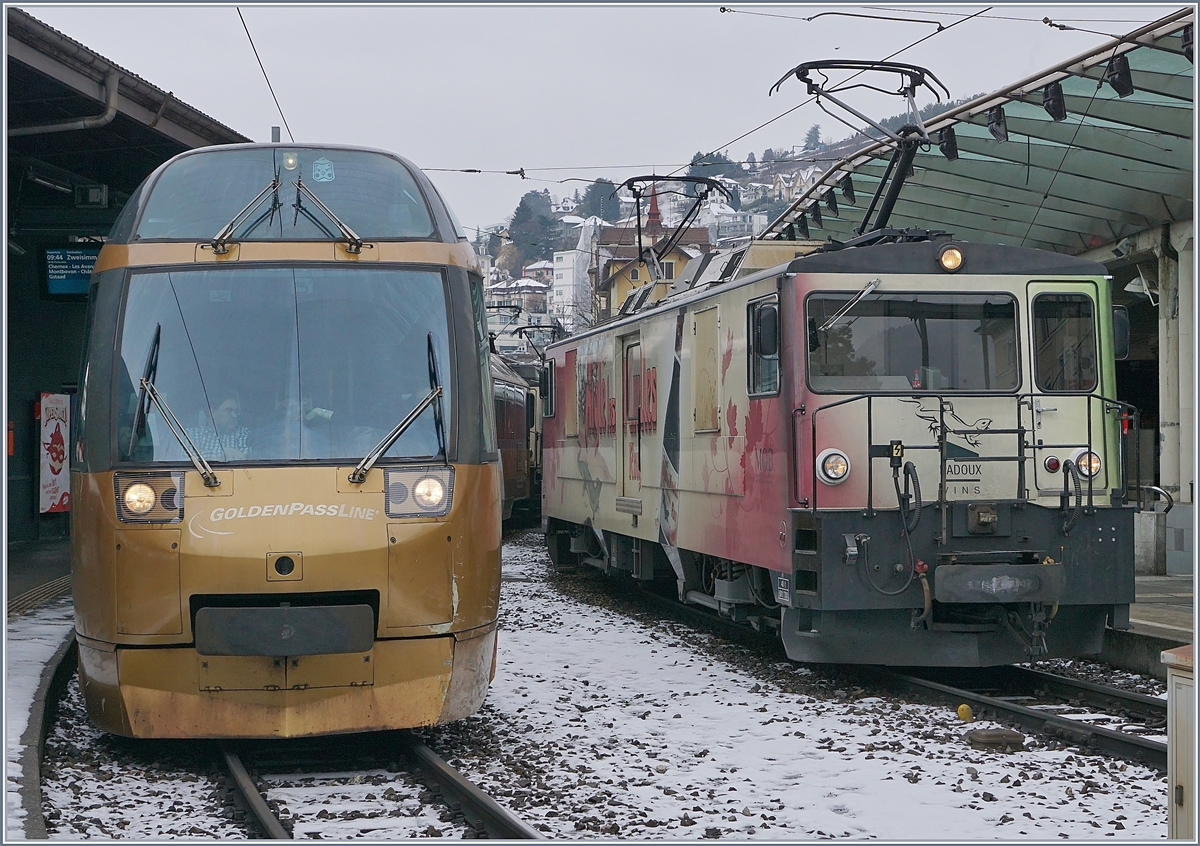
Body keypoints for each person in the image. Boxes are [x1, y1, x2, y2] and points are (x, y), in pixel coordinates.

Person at [188, 393, 252, 461]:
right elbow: (187, 459)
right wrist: (223, 454)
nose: (234, 415)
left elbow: (246, 457)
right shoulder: (192, 434)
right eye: (229, 410)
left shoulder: (243, 433)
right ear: (212, 412)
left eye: (236, 411)